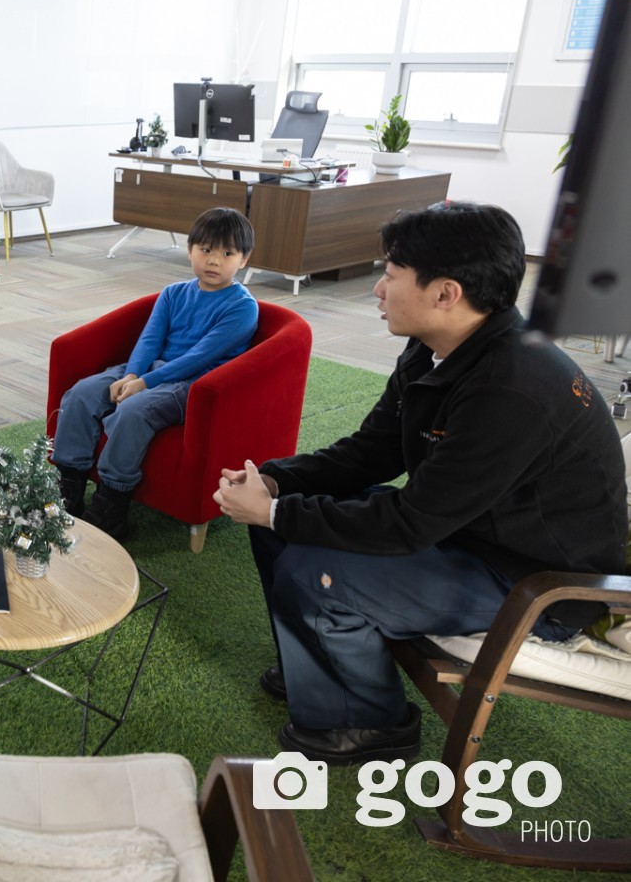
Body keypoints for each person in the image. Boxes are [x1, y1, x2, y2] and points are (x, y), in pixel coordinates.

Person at [214, 202, 628, 765]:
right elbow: (373, 450)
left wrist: (273, 511)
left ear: (445, 293)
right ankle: (314, 666)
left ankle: (369, 724)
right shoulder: (437, 349)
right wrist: (275, 481)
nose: (378, 288)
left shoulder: (512, 388)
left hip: (533, 581)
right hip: (467, 530)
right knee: (284, 513)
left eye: (390, 274)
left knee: (316, 572)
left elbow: (410, 524)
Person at [53, 207, 258, 540]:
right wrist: (132, 375)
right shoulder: (173, 293)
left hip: (192, 383)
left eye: (227, 253)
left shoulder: (242, 307)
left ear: (244, 260)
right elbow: (149, 340)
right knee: (81, 394)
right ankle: (67, 487)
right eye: (206, 249)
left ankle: (111, 507)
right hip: (148, 369)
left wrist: (144, 384)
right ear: (190, 249)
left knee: (133, 412)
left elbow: (198, 358)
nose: (213, 260)